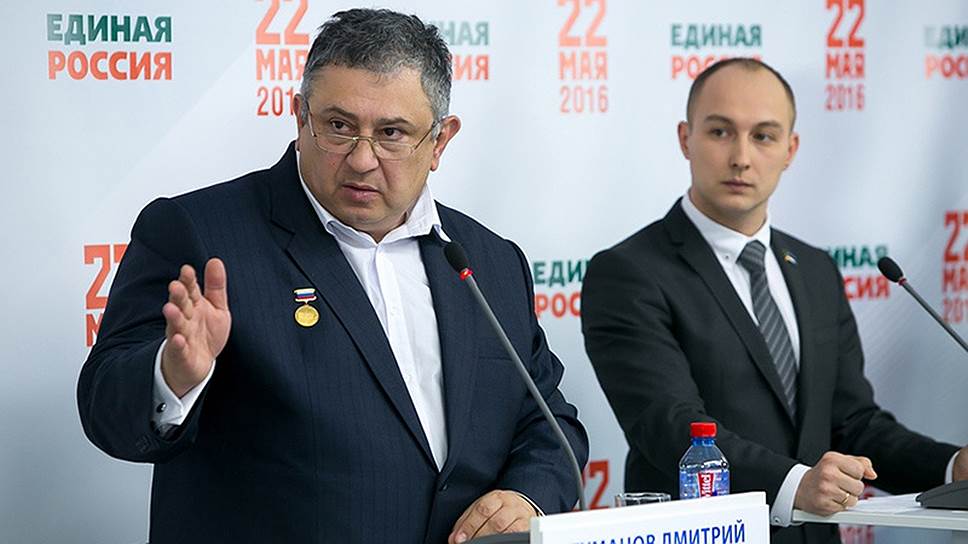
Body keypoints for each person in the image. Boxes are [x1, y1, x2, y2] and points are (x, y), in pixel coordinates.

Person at [77, 9, 587, 543]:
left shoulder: (490, 261)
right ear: (301, 117)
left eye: (391, 133)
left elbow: (550, 422)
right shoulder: (201, 235)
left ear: (439, 141)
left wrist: (526, 496)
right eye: (339, 127)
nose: (362, 159)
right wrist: (172, 376)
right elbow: (104, 406)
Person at [580, 57, 967, 543]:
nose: (741, 157)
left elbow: (852, 424)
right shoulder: (629, 272)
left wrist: (952, 467)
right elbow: (670, 425)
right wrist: (795, 484)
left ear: (790, 149)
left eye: (763, 136)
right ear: (685, 139)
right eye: (720, 132)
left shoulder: (817, 270)